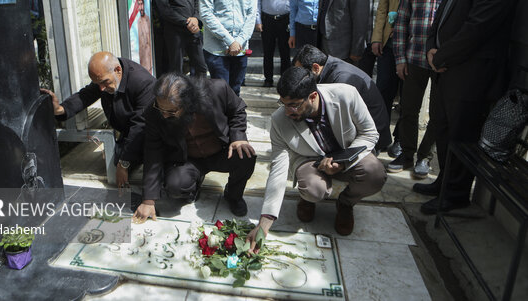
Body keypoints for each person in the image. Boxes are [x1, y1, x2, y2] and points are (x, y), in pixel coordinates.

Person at [418, 0, 520, 214]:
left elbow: (476, 30)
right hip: (447, 69)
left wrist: (443, 56)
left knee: (462, 134)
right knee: (445, 130)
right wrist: (431, 48)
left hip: (471, 75)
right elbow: (442, 18)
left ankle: (455, 194)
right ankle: (442, 183)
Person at [245, 67, 386, 246]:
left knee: (375, 174)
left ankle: (346, 204)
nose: (287, 112)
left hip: (348, 154)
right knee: (313, 190)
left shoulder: (346, 95)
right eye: (283, 103)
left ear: (312, 96)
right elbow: (278, 168)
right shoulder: (279, 120)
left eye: (294, 105)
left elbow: (369, 133)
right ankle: (306, 199)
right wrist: (264, 223)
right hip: (310, 159)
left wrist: (343, 162)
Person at [133, 73, 257, 222]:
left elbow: (237, 110)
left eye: (171, 112)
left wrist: (238, 138)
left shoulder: (217, 89)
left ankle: (233, 195)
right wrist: (148, 200)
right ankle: (194, 185)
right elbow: (152, 151)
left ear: (188, 102)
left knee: (246, 156)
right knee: (175, 186)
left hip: (222, 152)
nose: (164, 116)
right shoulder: (154, 113)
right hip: (188, 159)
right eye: (160, 109)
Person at [388, 0, 456, 177]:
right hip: (414, 58)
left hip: (443, 63)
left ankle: (424, 157)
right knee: (408, 110)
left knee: (438, 115)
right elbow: (402, 22)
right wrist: (400, 59)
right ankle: (406, 154)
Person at [41, 52, 155, 187]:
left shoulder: (143, 82)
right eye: (97, 84)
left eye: (104, 83)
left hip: (149, 134)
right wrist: (61, 110)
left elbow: (140, 126)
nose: (101, 88)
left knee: (143, 167)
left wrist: (124, 163)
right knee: (118, 161)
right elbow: (86, 95)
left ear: (118, 71)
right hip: (128, 131)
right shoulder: (106, 76)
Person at [371, 0, 430, 158]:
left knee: (408, 97)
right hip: (390, 40)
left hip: (416, 43)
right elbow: (383, 6)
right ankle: (379, 136)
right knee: (383, 89)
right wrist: (377, 37)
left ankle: (400, 140)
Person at [293, 44, 391, 151]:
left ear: (316, 67)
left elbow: (338, 120)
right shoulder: (330, 69)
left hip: (371, 135)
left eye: (303, 74)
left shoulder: (342, 79)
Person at [199, 0, 256, 96]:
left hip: (241, 48)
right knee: (220, 94)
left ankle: (234, 121)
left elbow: (251, 14)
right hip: (217, 51)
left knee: (235, 92)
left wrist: (239, 41)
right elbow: (206, 13)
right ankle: (220, 122)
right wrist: (230, 41)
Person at [153, 0, 207, 77]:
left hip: (193, 30)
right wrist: (187, 22)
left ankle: (200, 96)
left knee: (201, 67)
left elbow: (195, 1)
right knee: (176, 71)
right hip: (175, 34)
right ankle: (178, 97)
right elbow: (165, 11)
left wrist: (196, 19)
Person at [255, 0, 294, 87]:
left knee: (285, 52)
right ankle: (268, 79)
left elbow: (294, 1)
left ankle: (284, 81)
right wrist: (258, 20)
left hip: (285, 19)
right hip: (268, 20)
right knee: (268, 51)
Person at [28, 0, 46, 64]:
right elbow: (28, 10)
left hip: (41, 25)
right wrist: (37, 15)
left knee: (42, 45)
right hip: (33, 25)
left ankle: (42, 63)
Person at [135, 0, 153, 74]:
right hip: (142, 63)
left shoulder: (147, 19)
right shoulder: (138, 21)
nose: (140, 7)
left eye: (141, 4)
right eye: (138, 4)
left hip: (150, 62)